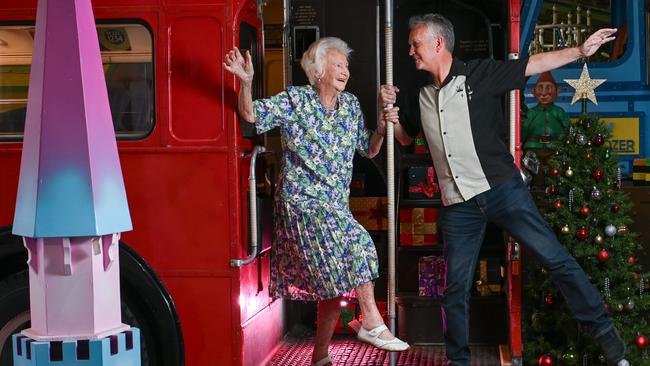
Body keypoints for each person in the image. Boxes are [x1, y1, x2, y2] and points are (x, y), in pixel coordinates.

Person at [379, 13, 628, 366]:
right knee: (455, 291)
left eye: (415, 44)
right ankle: (459, 361)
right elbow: (410, 141)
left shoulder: (479, 74)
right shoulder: (421, 96)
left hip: (502, 191)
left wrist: (580, 50)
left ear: (438, 43)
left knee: (555, 258)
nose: (409, 52)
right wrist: (389, 118)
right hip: (458, 206)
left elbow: (535, 63)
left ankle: (607, 338)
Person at [224, 37, 409, 366]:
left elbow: (369, 148)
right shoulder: (296, 101)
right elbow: (251, 114)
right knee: (360, 243)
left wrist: (381, 127)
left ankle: (320, 357)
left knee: (333, 283)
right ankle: (370, 321)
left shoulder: (350, 106)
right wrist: (247, 81)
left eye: (347, 67)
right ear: (318, 70)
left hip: (333, 208)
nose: (346, 72)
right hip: (302, 204)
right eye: (338, 65)